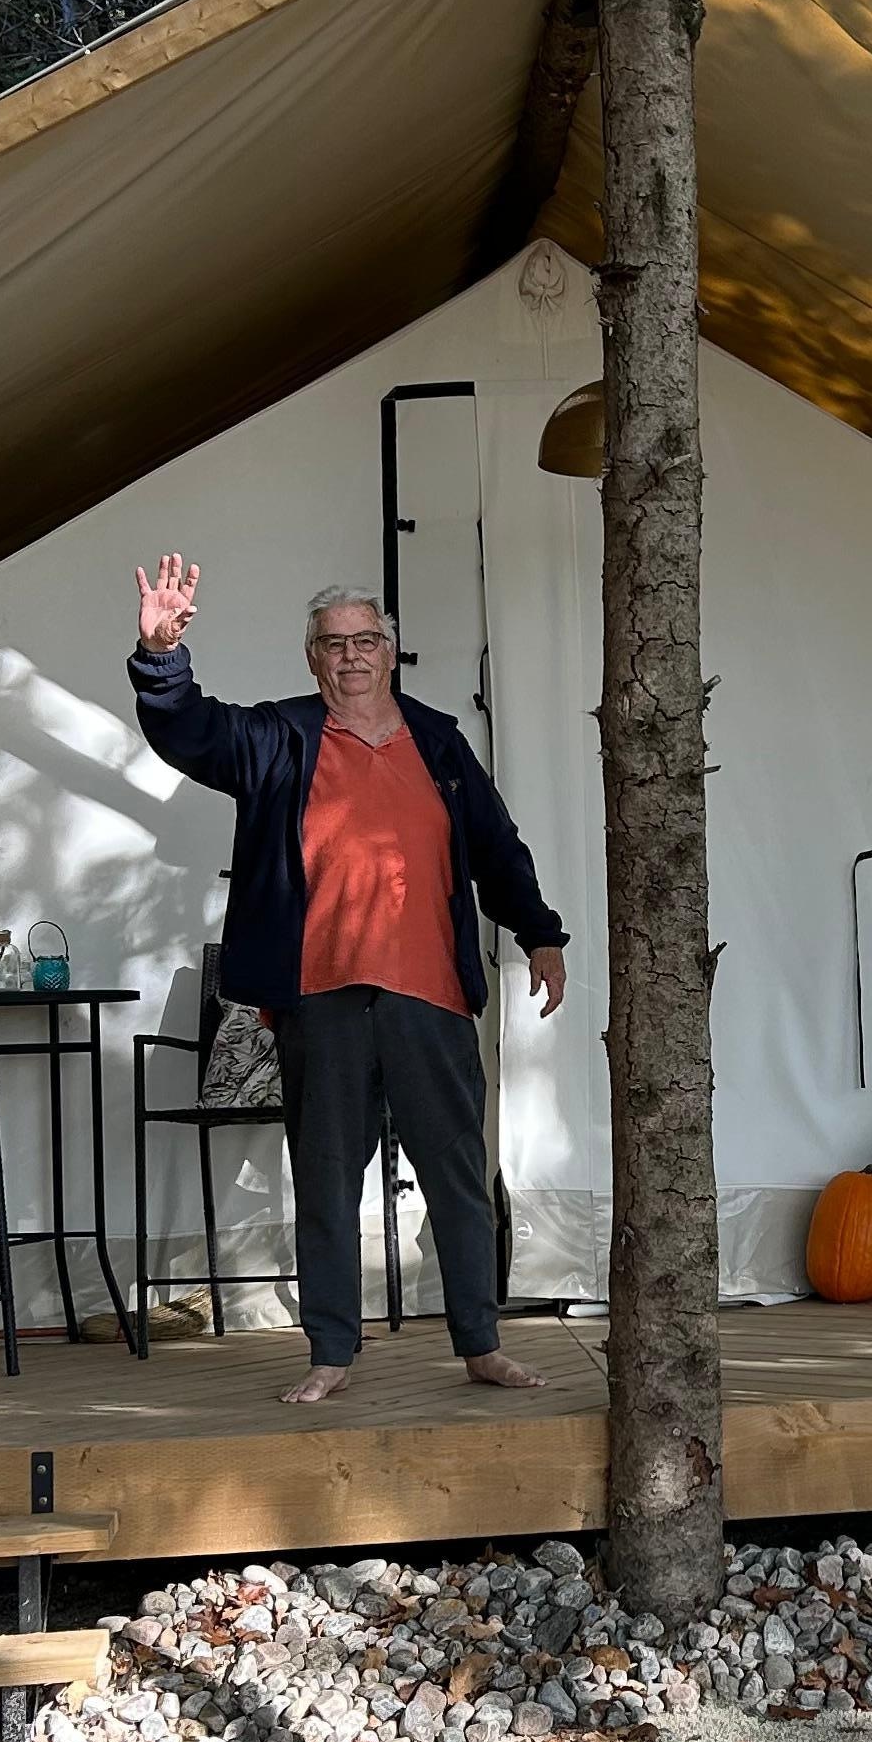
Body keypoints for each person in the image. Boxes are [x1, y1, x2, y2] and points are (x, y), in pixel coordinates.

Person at [129, 552, 568, 1405]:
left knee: (456, 1176)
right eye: (335, 644)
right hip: (321, 997)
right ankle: (331, 1349)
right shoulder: (279, 737)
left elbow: (494, 846)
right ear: (312, 658)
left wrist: (539, 933)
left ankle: (480, 1342)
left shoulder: (438, 741)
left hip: (430, 994)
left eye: (367, 640)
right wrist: (160, 659)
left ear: (391, 653)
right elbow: (190, 731)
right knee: (326, 1175)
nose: (352, 656)